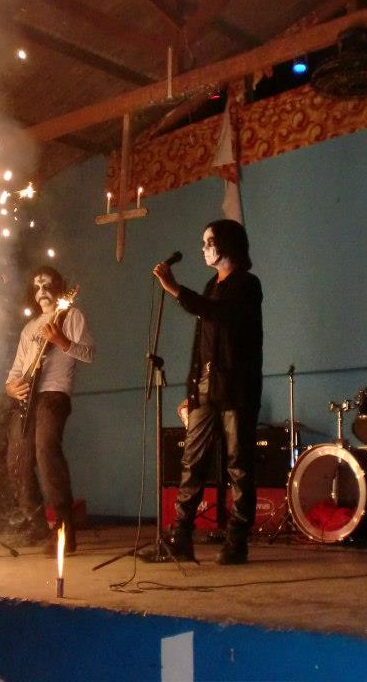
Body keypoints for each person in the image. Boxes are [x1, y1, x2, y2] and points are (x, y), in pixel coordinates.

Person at [152, 219, 263, 565]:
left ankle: (236, 541)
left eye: (208, 242)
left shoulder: (247, 284)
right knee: (192, 460)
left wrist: (176, 290)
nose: (203, 249)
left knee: (238, 464)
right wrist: (191, 387)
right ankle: (180, 536)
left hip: (236, 387)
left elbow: (221, 315)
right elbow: (202, 344)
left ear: (226, 244)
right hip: (205, 385)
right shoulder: (211, 285)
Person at [5, 266, 95, 555]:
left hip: (54, 394)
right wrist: (11, 388)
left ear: (59, 287)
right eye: (36, 287)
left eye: (46, 285)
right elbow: (16, 371)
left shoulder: (71, 315)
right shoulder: (29, 327)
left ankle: (65, 529)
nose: (41, 291)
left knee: (46, 454)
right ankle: (37, 525)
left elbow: (89, 354)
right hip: (26, 398)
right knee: (17, 460)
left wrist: (61, 341)